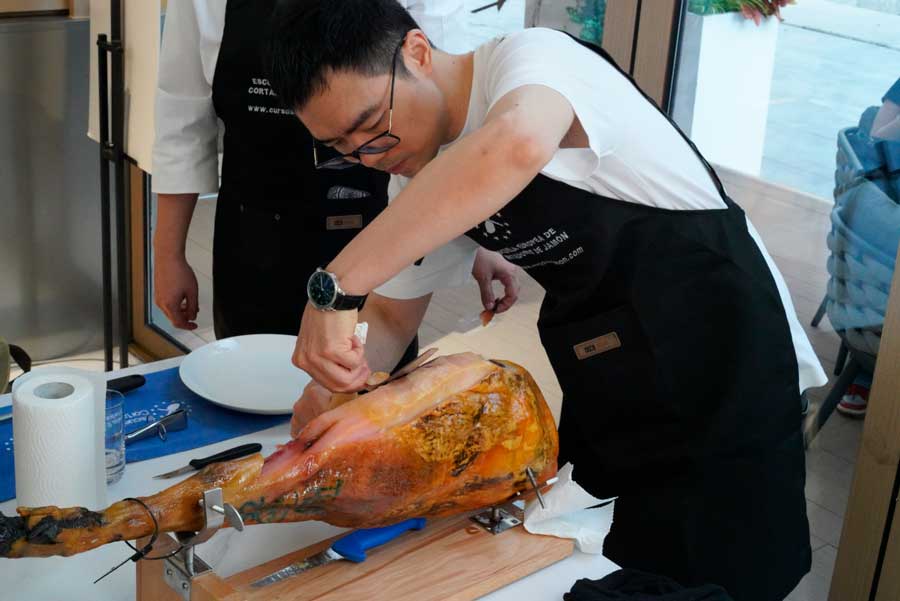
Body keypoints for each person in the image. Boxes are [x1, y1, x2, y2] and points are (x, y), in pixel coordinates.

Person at [265, 2, 828, 599]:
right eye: (343, 148)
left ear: (418, 52)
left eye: (372, 123)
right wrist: (332, 390)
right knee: (611, 562)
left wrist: (334, 288)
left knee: (727, 570)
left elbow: (514, 144)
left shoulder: (534, 61)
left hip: (722, 357)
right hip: (614, 376)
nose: (370, 155)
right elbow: (389, 315)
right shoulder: (420, 177)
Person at [151, 0, 519, 366]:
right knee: (247, 380)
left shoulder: (524, 60)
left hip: (384, 221)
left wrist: (478, 231)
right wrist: (168, 254)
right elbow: (181, 118)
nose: (362, 150)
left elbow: (437, 103)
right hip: (256, 234)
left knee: (373, 389)